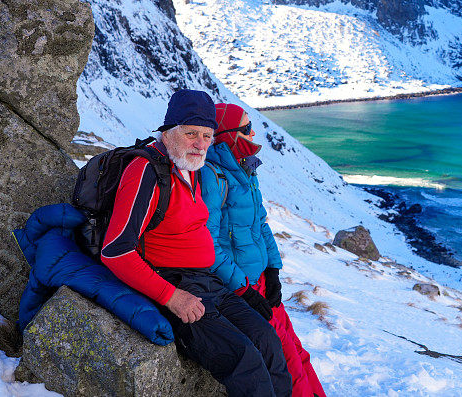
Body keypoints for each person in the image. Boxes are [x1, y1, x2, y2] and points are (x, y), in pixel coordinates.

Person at [100, 89, 292, 397]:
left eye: (207, 135)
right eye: (191, 133)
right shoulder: (147, 171)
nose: (200, 143)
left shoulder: (192, 170)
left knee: (267, 340)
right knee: (245, 360)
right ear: (169, 131)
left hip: (208, 282)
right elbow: (116, 251)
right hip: (174, 285)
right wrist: (172, 297)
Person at [201, 103, 326, 397]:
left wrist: (273, 269)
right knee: (285, 363)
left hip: (260, 281)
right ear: (228, 134)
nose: (253, 133)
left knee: (297, 353)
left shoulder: (246, 169)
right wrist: (243, 289)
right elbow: (210, 244)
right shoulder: (211, 176)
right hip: (242, 288)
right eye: (246, 128)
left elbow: (261, 224)